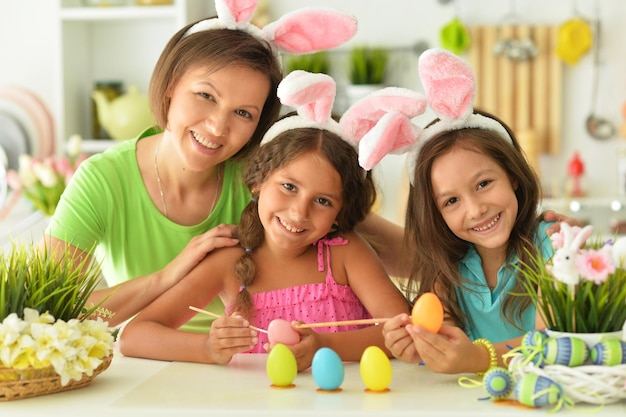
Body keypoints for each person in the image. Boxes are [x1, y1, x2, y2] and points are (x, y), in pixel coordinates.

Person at [40, 0, 359, 331]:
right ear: (170, 87)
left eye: (243, 113)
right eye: (206, 96)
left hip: (250, 361)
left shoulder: (266, 179)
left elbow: (361, 231)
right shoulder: (103, 181)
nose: (219, 127)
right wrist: (167, 276)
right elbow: (51, 311)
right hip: (145, 361)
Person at [118, 71, 420, 371]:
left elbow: (402, 329)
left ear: (340, 215)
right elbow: (133, 336)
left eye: (323, 201)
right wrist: (208, 348)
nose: (299, 213)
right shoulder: (229, 261)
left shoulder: (344, 252)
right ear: (257, 182)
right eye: (289, 187)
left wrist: (325, 346)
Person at [382, 48, 557, 375]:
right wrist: (420, 346)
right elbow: (446, 345)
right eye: (451, 201)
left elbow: (551, 342)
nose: (476, 210)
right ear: (436, 214)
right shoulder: (447, 274)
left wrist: (480, 359)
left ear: (514, 177)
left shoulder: (553, 248)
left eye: (483, 183)